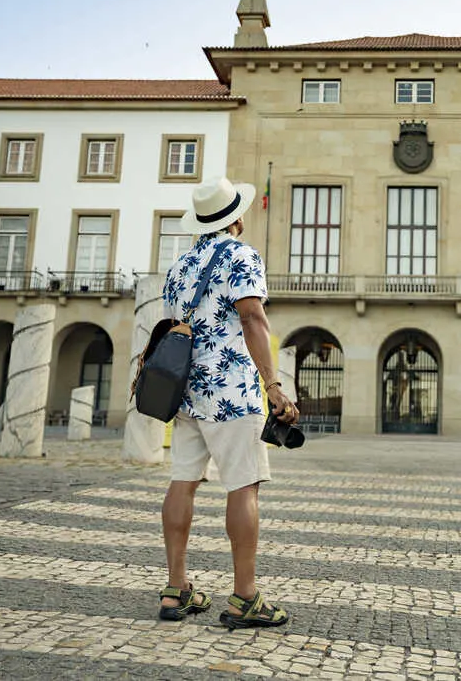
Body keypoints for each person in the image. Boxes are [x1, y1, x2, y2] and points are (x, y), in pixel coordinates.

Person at [157, 176, 299, 629]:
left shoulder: (179, 265)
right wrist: (273, 385)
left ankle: (176, 588)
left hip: (185, 391)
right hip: (231, 391)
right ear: (235, 216)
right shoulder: (242, 256)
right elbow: (253, 318)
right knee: (243, 485)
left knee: (183, 480)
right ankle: (245, 596)